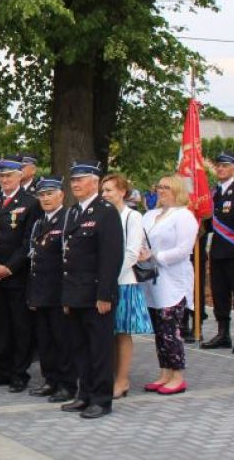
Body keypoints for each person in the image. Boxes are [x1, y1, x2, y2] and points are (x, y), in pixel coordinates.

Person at [60, 161, 123, 419]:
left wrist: (104, 295)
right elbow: (67, 257)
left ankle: (101, 399)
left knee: (99, 350)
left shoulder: (106, 212)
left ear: (94, 182)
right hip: (75, 293)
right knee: (80, 348)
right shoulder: (73, 212)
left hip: (95, 294)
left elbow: (111, 257)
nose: (75, 184)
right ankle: (84, 394)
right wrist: (66, 296)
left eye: (81, 179)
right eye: (73, 180)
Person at [0, 157, 39, 392]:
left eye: (9, 176)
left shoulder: (30, 202)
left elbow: (29, 241)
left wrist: (10, 267)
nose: (5, 180)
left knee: (19, 326)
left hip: (16, 275)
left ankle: (19, 372)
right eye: (1, 176)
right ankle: (0, 370)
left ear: (19, 176)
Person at [140, 174, 198, 395]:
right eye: (159, 187)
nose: (160, 191)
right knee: (158, 330)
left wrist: (155, 256)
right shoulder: (151, 214)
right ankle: (164, 371)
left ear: (177, 190)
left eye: (166, 187)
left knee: (170, 329)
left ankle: (177, 375)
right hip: (152, 281)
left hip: (173, 280)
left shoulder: (184, 216)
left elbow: (184, 250)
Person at [100, 173, 152, 399]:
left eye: (110, 190)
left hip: (123, 282)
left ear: (122, 192)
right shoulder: (102, 214)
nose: (105, 194)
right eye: (103, 191)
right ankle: (110, 376)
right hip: (104, 281)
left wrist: (110, 276)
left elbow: (131, 253)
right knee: (107, 333)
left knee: (122, 333)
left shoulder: (132, 216)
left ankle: (122, 380)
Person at [26, 177, 76, 403]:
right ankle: (50, 380)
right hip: (41, 291)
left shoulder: (67, 220)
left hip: (59, 292)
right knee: (45, 341)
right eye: (42, 195)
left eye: (49, 194)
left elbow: (70, 260)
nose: (45, 198)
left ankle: (67, 384)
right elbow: (34, 260)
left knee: (63, 341)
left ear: (61, 195)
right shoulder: (39, 223)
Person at [201, 151, 234, 352]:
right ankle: (223, 334)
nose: (220, 169)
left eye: (225, 166)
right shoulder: (213, 194)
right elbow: (210, 225)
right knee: (220, 296)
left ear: (233, 169)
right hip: (218, 253)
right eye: (218, 165)